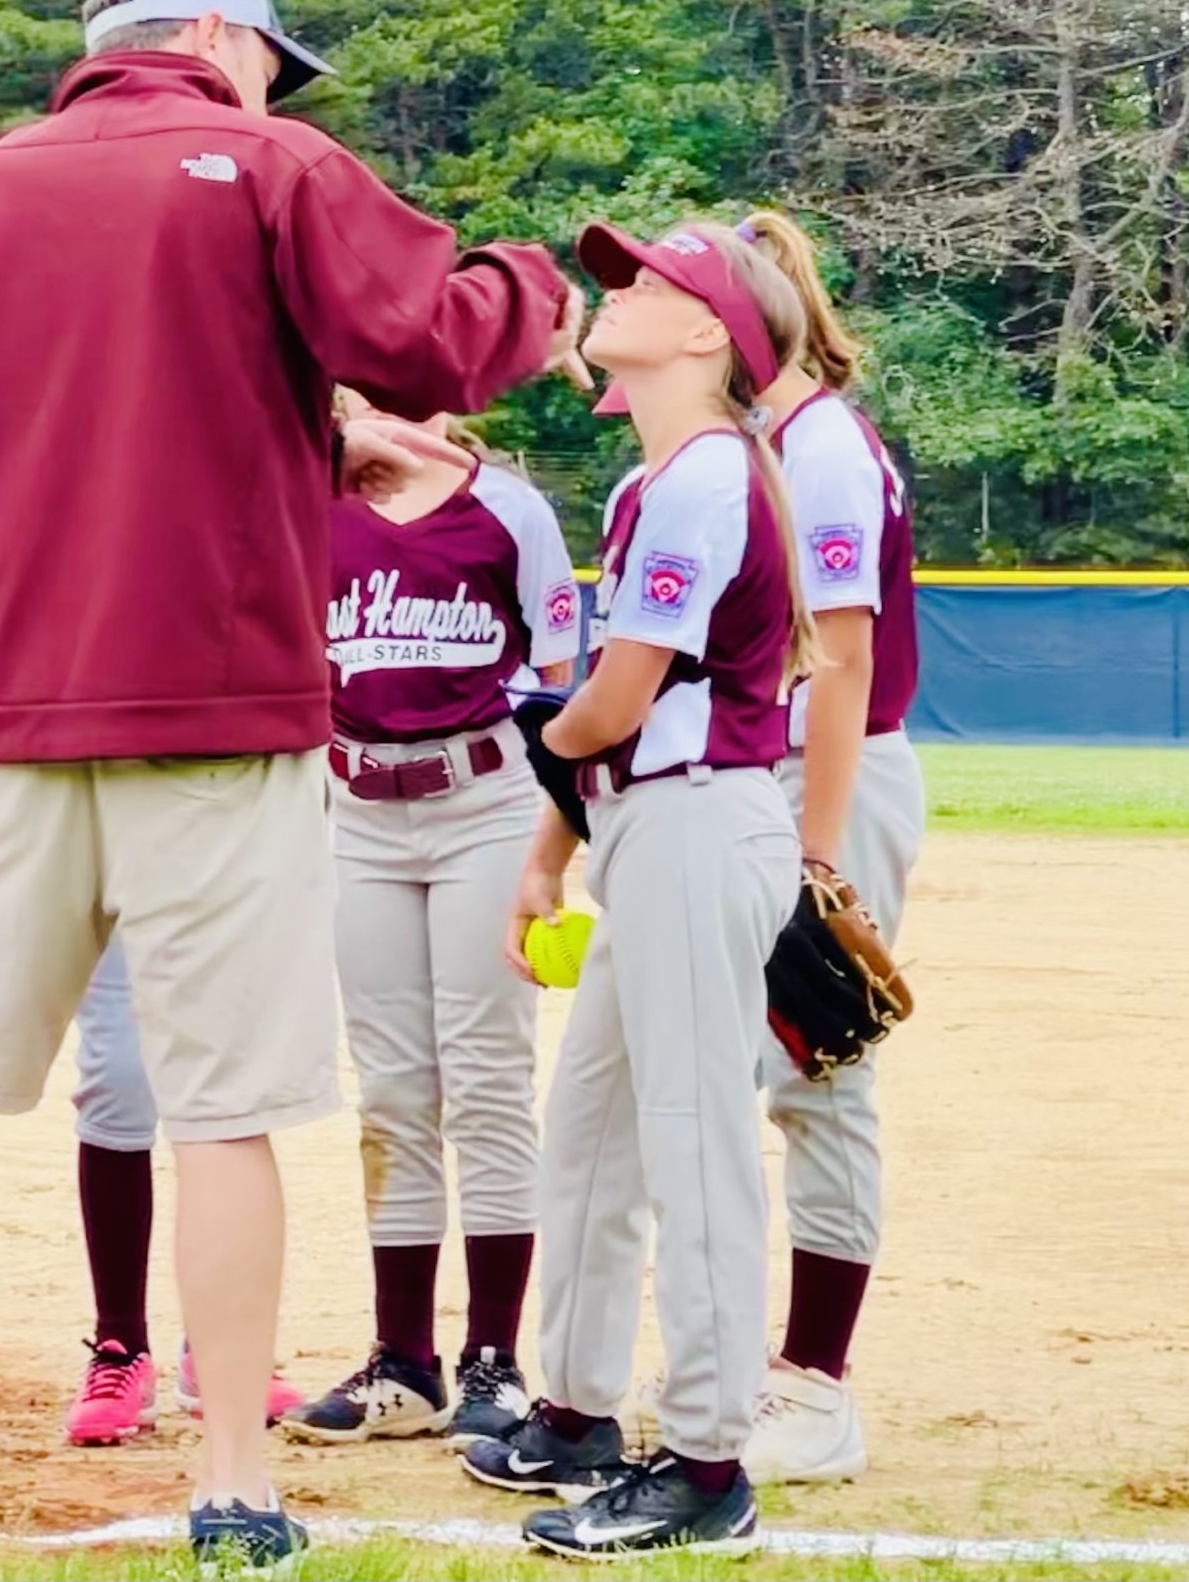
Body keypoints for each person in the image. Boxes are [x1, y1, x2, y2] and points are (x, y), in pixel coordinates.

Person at [0, 0, 578, 1567]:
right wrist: (538, 287)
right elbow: (432, 341)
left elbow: (120, 390)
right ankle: (235, 1481)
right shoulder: (272, 164)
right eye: (267, 62)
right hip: (213, 702)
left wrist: (312, 442)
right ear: (220, 33)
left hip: (14, 700)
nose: (272, 91)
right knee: (223, 1105)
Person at [461, 221, 808, 1559]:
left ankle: (710, 1462)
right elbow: (606, 724)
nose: (618, 292)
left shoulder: (708, 472)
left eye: (653, 283)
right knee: (595, 1130)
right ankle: (577, 1409)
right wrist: (551, 842)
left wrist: (532, 733)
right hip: (644, 826)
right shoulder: (655, 476)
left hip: (697, 822)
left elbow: (612, 705)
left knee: (692, 1140)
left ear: (710, 334)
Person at [275, 409, 581, 1451]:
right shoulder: (308, 498)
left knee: (487, 1074)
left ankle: (493, 1358)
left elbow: (555, 682)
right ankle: (404, 1361)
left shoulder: (508, 508)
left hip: (485, 799)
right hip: (357, 809)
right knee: (393, 1087)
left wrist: (549, 842)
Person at [737, 209, 924, 1483]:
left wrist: (814, 847)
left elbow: (843, 663)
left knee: (818, 1073)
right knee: (740, 1070)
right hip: (770, 776)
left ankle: (815, 1382)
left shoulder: (821, 447)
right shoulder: (763, 443)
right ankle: (754, 1362)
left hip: (828, 777)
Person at [58, 940, 306, 1445]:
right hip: (109, 893)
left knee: (223, 1084)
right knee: (117, 1078)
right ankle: (120, 1344)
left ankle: (221, 1350)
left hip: (221, 893)